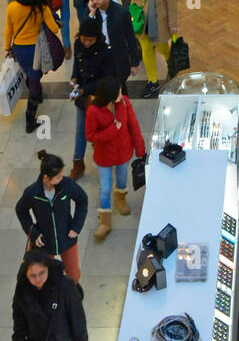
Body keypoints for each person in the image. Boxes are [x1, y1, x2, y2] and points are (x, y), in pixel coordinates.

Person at [86, 77, 145, 240]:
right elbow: (91, 136)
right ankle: (105, 222)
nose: (121, 93)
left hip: (123, 152)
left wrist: (140, 148)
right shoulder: (93, 111)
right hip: (104, 156)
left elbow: (133, 124)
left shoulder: (124, 102)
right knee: (105, 188)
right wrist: (113, 129)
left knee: (122, 179)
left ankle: (120, 199)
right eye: (118, 91)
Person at [15, 151, 87, 283]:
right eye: (58, 176)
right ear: (47, 177)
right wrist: (34, 234)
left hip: (67, 237)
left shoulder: (67, 185)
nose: (62, 178)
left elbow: (82, 200)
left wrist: (77, 226)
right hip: (45, 242)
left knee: (74, 275)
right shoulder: (32, 193)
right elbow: (21, 210)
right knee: (44, 278)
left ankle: (72, 296)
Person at [4, 0, 60, 133]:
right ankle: (30, 120)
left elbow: (9, 30)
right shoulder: (41, 8)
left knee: (30, 74)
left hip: (19, 49)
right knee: (35, 80)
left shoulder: (12, 7)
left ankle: (36, 91)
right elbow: (55, 29)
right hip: (36, 51)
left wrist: (7, 48)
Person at [131, 0, 178, 98]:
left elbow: (171, 1)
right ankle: (152, 81)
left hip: (158, 20)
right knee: (146, 48)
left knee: (162, 47)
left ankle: (172, 65)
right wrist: (133, 11)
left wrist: (173, 24)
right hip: (142, 18)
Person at [70, 18, 116, 179]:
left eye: (90, 40)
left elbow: (106, 79)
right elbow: (77, 64)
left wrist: (85, 90)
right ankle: (78, 164)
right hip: (83, 99)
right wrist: (74, 78)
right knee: (81, 130)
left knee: (102, 131)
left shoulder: (105, 51)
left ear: (97, 37)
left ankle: (107, 159)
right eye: (84, 38)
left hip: (99, 98)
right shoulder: (78, 44)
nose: (86, 43)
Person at [88, 0, 141, 93]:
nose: (94, 1)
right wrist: (92, 14)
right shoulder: (91, 11)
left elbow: (131, 38)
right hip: (100, 61)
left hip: (118, 61)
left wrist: (134, 63)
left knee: (120, 91)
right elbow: (85, 34)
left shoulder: (121, 12)